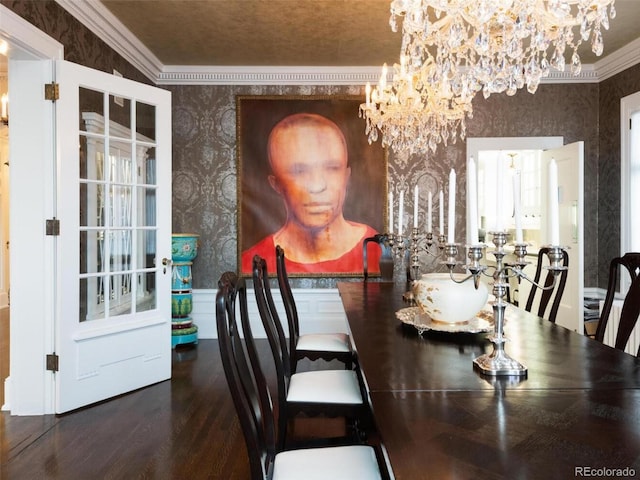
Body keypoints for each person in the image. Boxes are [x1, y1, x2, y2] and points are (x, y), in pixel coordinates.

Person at [241, 112, 381, 275]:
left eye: (332, 168)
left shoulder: (378, 251)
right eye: (299, 171)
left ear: (346, 176)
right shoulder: (252, 264)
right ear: (276, 184)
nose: (317, 186)